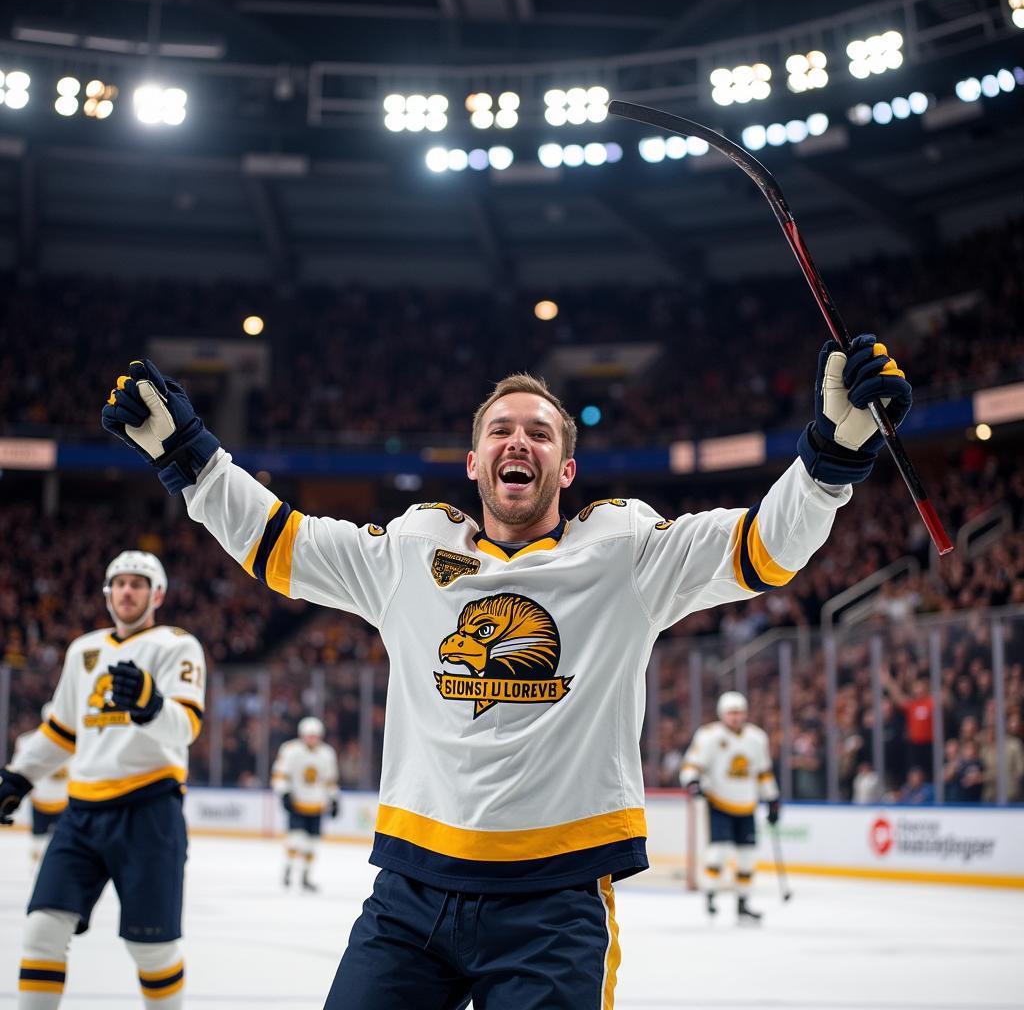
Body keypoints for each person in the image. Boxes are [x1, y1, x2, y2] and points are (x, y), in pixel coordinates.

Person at [99, 332, 911, 1008]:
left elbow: (764, 547)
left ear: (564, 470)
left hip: (554, 907)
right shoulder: (412, 552)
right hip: (408, 899)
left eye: (540, 432)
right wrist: (189, 456)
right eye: (499, 429)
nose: (517, 440)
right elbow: (282, 543)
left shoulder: (627, 553)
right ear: (473, 462)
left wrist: (831, 458)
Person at [0, 551, 205, 1010]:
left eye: (137, 583)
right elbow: (61, 730)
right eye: (119, 583)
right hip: (81, 814)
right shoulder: (83, 650)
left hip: (150, 811)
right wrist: (18, 777)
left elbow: (187, 727)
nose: (127, 591)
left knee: (151, 950)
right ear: (107, 593)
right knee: (41, 931)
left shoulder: (178, 645)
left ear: (159, 595)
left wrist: (151, 703)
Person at [680, 692, 779, 922]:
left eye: (739, 712)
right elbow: (692, 765)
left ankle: (743, 903)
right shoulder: (709, 736)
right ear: (722, 714)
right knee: (718, 853)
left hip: (747, 804)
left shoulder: (757, 738)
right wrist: (693, 782)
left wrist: (773, 798)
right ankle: (711, 895)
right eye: (731, 713)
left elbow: (763, 772)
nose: (735, 717)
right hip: (720, 802)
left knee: (747, 857)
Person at [272, 716, 340, 892]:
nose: (312, 739)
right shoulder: (290, 750)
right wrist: (284, 793)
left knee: (312, 843)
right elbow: (280, 774)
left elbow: (330, 780)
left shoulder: (327, 753)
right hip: (297, 803)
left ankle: (305, 876)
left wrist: (334, 799)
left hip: (317, 805)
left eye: (315, 735)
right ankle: (288, 869)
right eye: (309, 735)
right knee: (295, 840)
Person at [12, 704, 69, 865]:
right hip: (40, 803)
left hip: (64, 804)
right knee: (37, 848)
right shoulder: (27, 742)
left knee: (64, 849)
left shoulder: (78, 742)